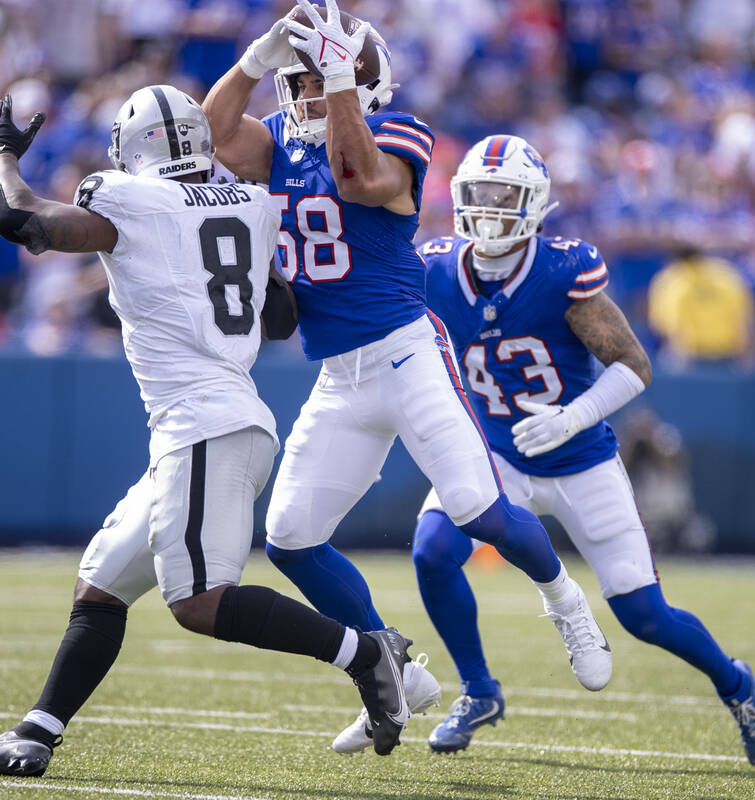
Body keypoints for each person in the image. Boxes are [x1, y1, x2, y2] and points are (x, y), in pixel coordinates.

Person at [0, 87, 419, 778]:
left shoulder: (126, 197)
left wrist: (1, 156)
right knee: (100, 587)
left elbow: (22, 219)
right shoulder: (252, 203)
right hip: (212, 424)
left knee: (197, 602)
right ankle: (36, 734)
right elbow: (278, 315)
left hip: (204, 426)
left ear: (130, 151)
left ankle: (368, 653)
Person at [203, 0, 611, 755]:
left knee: (477, 510)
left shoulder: (398, 131)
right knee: (289, 537)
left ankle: (565, 600)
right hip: (339, 376)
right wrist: (255, 62)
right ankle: (391, 663)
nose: (303, 98)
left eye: (316, 83)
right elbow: (212, 133)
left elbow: (359, 180)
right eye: (297, 85)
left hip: (407, 354)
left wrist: (339, 80)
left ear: (363, 83)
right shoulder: (284, 146)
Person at [412, 134, 755, 765]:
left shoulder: (561, 269)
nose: (492, 209)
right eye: (481, 195)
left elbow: (635, 366)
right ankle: (477, 691)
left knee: (645, 616)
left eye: (507, 197)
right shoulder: (436, 267)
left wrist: (570, 418)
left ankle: (736, 684)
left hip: (580, 459)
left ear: (534, 205)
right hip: (496, 453)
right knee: (431, 550)